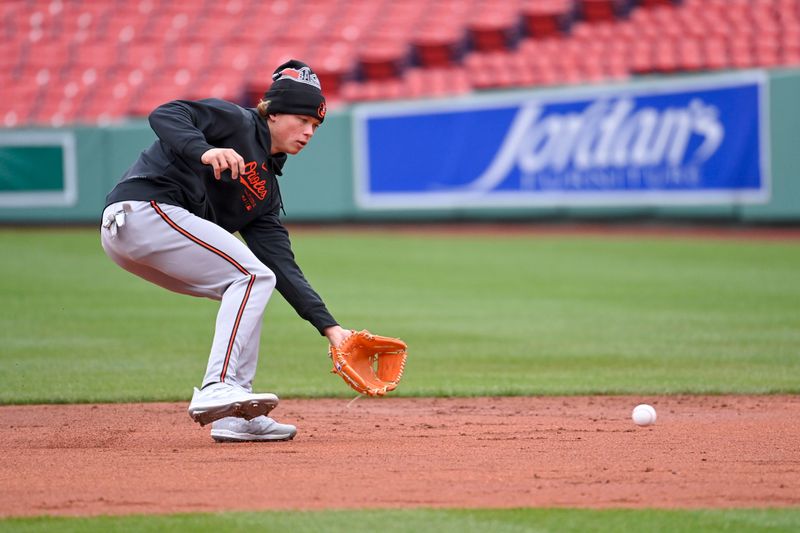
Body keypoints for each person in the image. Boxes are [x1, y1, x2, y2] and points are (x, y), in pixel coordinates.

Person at [100, 59, 351, 442]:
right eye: (302, 120)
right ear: (273, 112)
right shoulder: (236, 120)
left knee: (254, 283)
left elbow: (282, 266)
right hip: (143, 210)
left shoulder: (264, 192)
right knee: (251, 277)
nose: (309, 131)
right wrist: (203, 150)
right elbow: (167, 114)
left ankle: (235, 412)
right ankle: (218, 386)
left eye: (315, 126)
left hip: (139, 233)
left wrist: (330, 328)